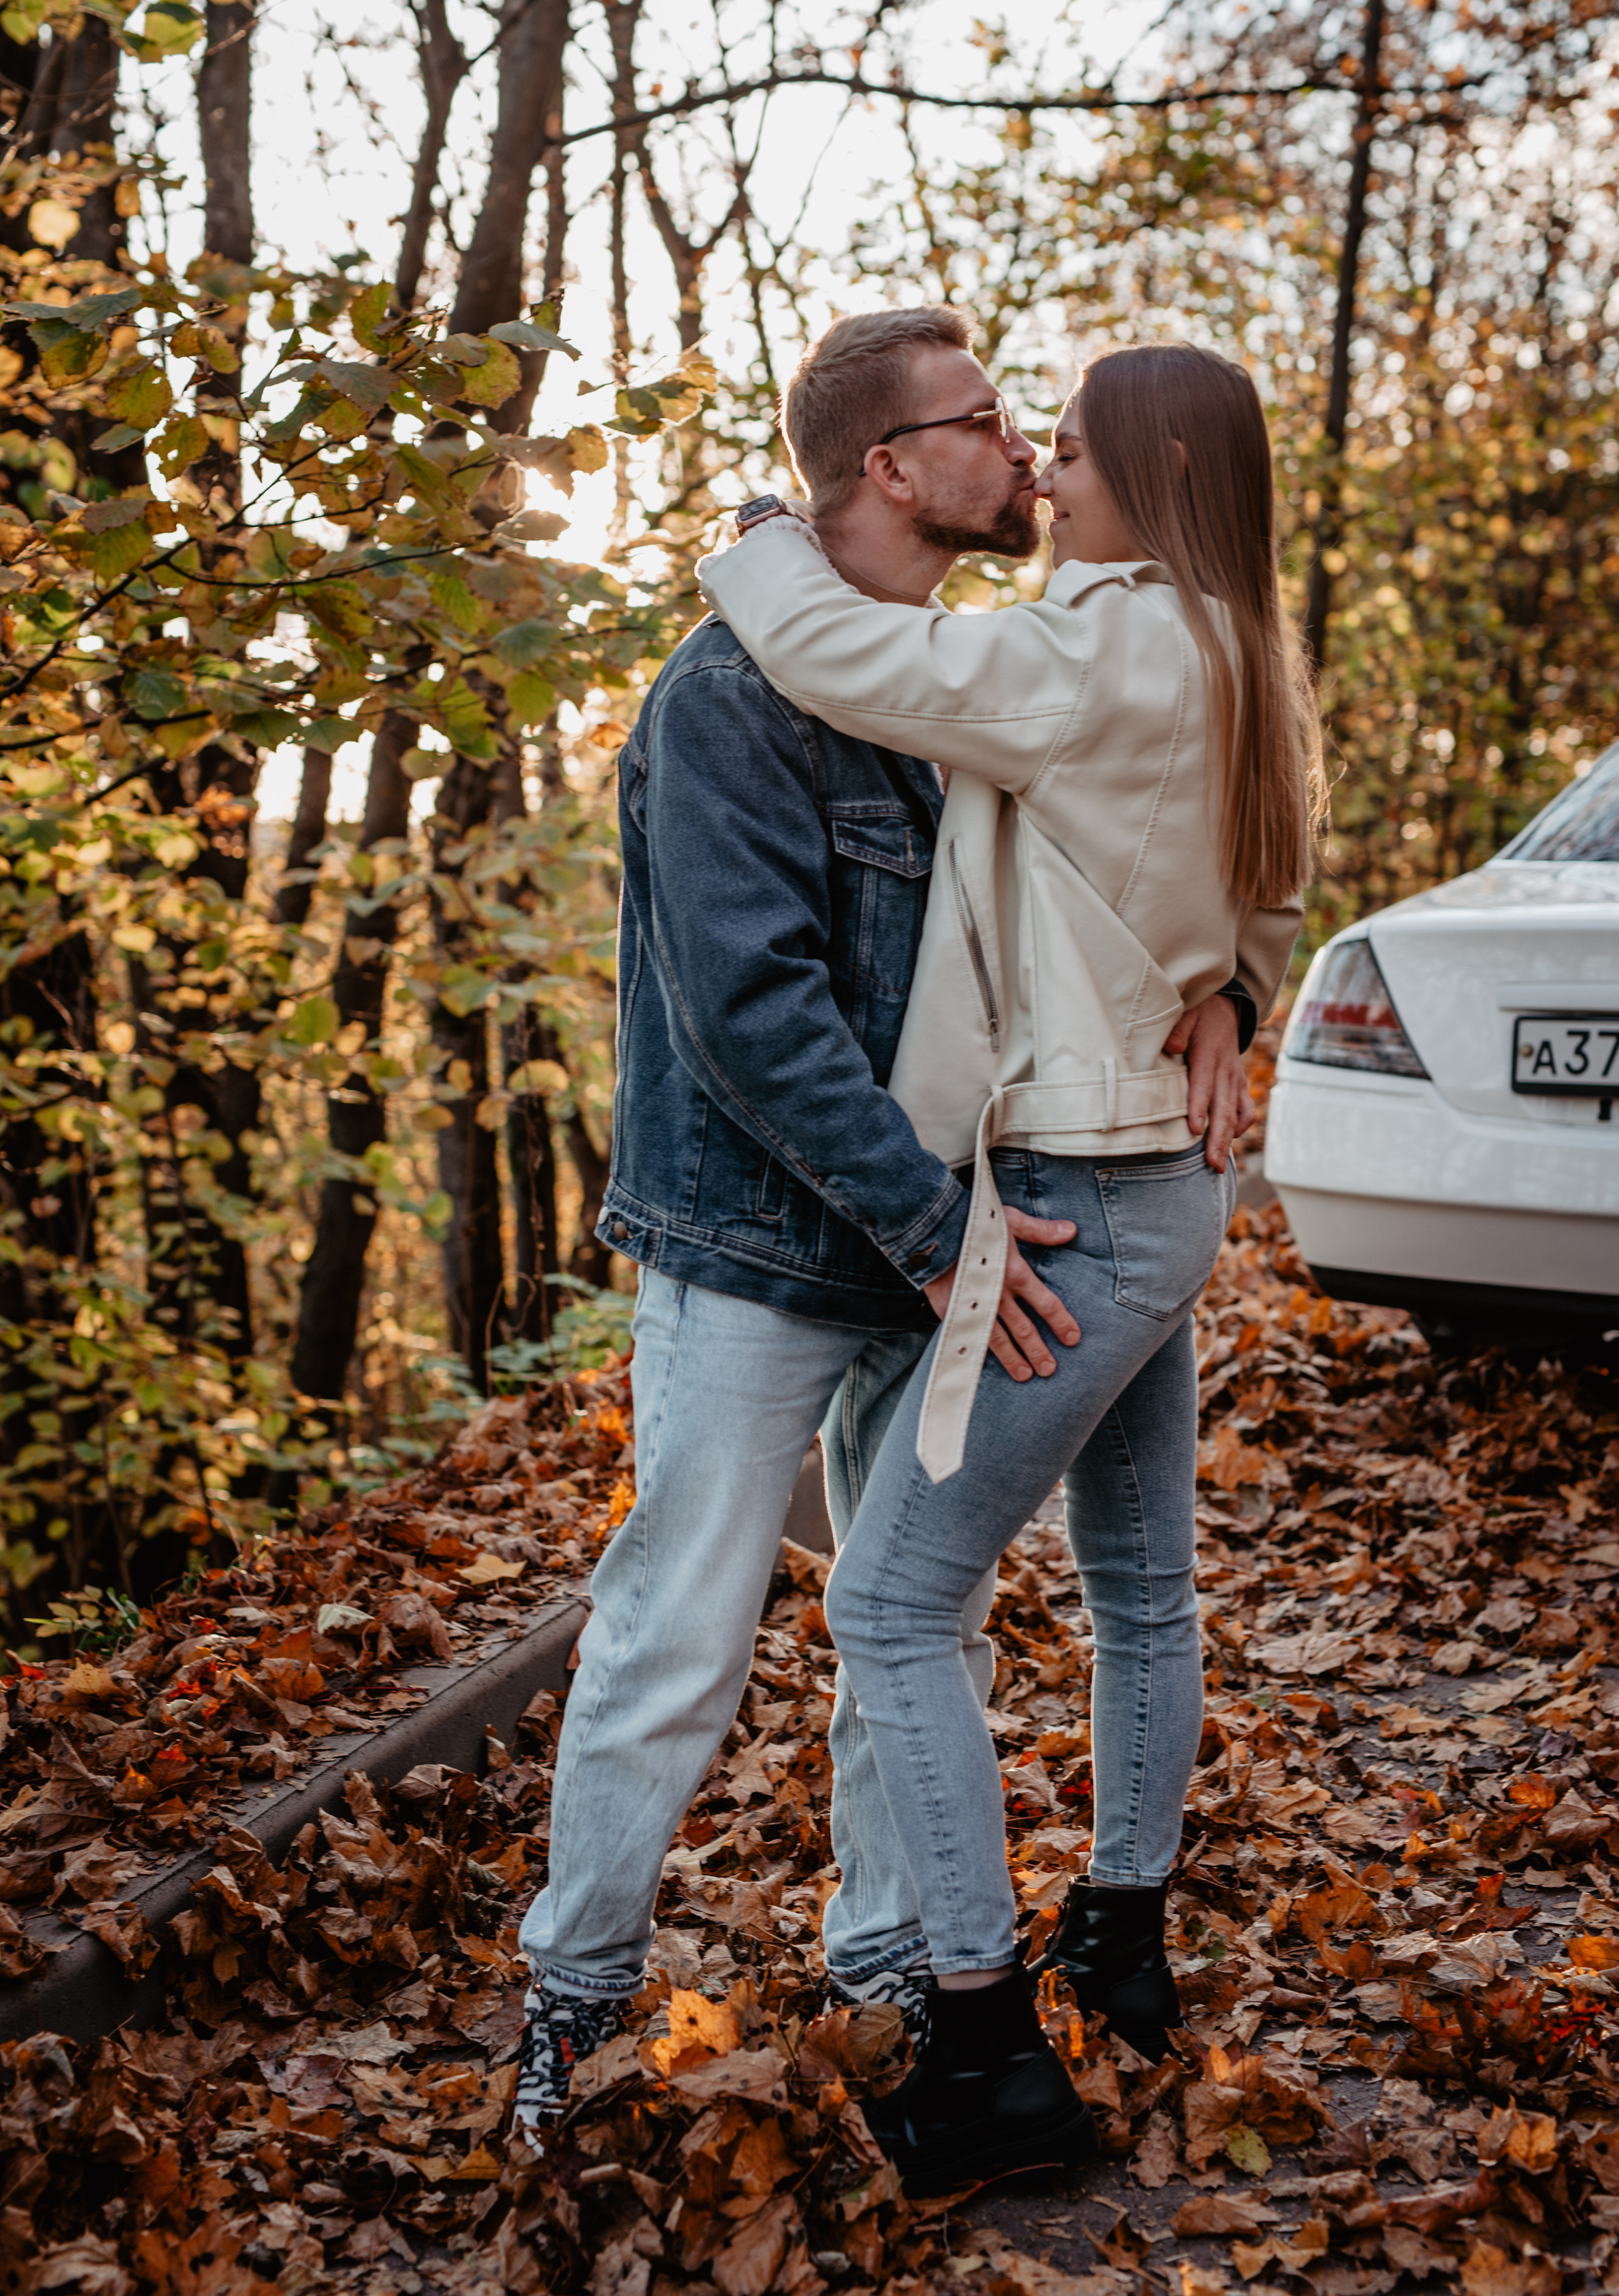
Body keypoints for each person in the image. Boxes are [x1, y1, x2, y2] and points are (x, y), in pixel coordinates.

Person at [509, 310, 1253, 2145]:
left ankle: (896, 1953)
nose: (1020, 450)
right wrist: (938, 1235)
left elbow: (1127, 863)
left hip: (953, 1227)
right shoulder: (734, 698)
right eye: (984, 424)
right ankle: (576, 1991)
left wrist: (1226, 978)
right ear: (889, 468)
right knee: (675, 1630)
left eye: (1033, 424)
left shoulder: (978, 672)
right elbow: (756, 1014)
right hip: (778, 1244)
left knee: (917, 1621)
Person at [699, 341, 1319, 2195]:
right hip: (1160, 1187)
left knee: (889, 1602)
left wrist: (750, 536)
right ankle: (1121, 1930)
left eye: (1065, 443)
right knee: (1141, 1589)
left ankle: (985, 2041)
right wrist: (1238, 992)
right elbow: (1266, 882)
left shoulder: (1102, 645)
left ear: (1164, 457)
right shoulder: (1230, 642)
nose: (1042, 471)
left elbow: (856, 658)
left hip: (1082, 1197)